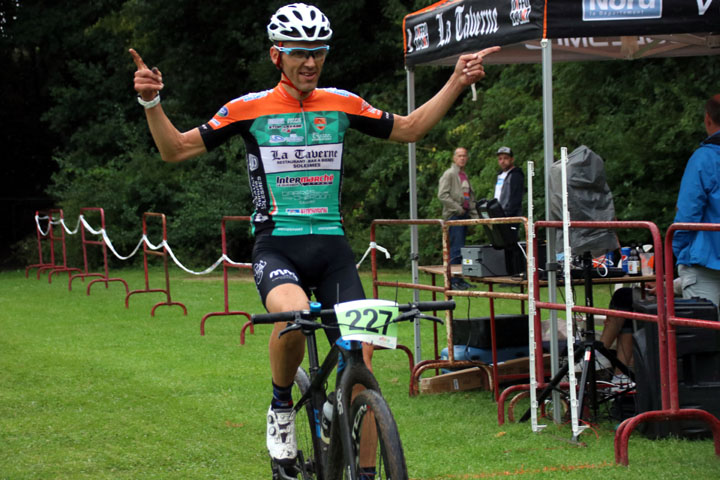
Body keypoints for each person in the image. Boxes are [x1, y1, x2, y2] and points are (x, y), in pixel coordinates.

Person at [130, 2, 500, 470]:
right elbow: (175, 148)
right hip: (277, 246)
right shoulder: (249, 109)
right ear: (276, 55)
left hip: (333, 251)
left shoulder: (341, 103)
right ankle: (282, 405)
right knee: (295, 319)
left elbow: (409, 129)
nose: (310, 62)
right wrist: (150, 102)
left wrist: (456, 80)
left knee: (362, 357)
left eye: (319, 52)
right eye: (299, 52)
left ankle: (364, 466)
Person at [673, 94, 720, 309]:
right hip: (706, 260)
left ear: (707, 119)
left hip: (705, 263)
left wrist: (680, 251)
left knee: (704, 336)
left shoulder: (703, 159)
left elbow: (688, 214)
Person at [438, 147, 478, 290]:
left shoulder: (464, 175)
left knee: (462, 249)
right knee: (456, 248)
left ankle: (460, 278)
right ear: (454, 158)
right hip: (454, 216)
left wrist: (475, 216)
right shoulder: (449, 174)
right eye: (459, 156)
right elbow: (442, 195)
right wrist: (458, 208)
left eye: (464, 156)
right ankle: (453, 280)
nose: (462, 158)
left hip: (464, 215)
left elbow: (470, 198)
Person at [493, 146, 524, 218]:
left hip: (509, 216)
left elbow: (516, 198)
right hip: (497, 214)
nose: (502, 161)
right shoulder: (499, 175)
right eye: (500, 159)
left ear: (512, 159)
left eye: (505, 158)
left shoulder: (516, 175)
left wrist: (509, 213)